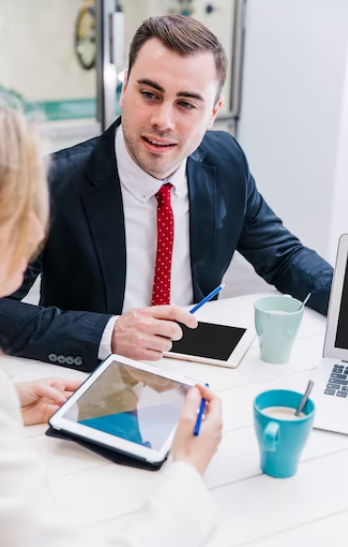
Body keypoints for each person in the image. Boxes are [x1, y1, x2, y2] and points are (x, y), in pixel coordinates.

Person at [0, 15, 333, 373]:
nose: (163, 121)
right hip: (87, 369)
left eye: (186, 104)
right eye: (149, 94)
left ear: (213, 113)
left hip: (197, 362)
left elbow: (283, 256)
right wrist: (107, 333)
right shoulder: (52, 180)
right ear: (124, 91)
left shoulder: (226, 161)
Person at [0, 103, 222, 545]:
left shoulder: (223, 163)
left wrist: (6, 403)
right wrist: (187, 473)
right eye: (23, 225)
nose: (30, 249)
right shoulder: (66, 176)